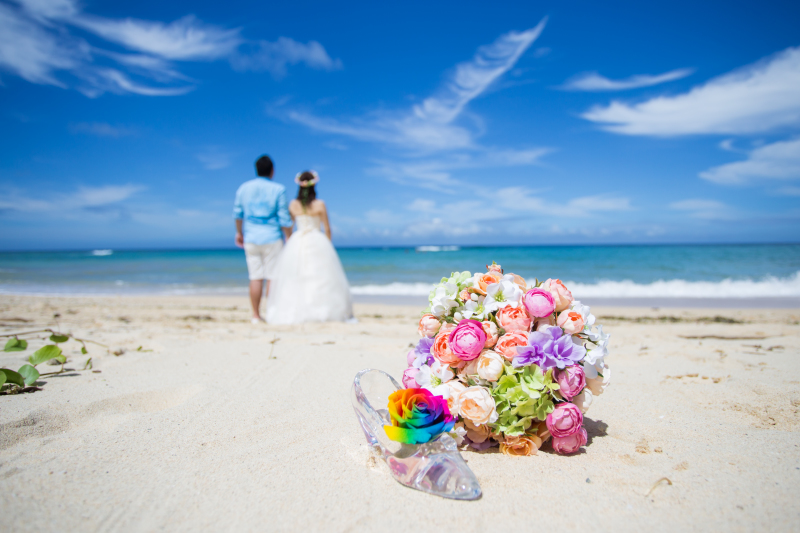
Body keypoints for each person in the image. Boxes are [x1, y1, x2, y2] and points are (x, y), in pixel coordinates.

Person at [266, 170, 354, 324]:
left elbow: (289, 226)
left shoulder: (293, 204)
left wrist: (288, 238)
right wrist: (328, 245)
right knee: (320, 277)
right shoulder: (320, 204)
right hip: (317, 239)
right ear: (315, 185)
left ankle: (296, 309)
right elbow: (327, 228)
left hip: (298, 240)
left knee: (295, 276)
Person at [233, 155, 293, 324]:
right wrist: (289, 236)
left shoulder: (244, 188)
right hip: (273, 237)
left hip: (251, 237)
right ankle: (272, 312)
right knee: (273, 277)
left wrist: (239, 233)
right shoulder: (278, 189)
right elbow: (284, 217)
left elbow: (238, 214)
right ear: (272, 171)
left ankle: (255, 315)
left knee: (255, 277)